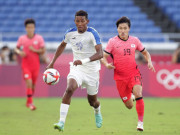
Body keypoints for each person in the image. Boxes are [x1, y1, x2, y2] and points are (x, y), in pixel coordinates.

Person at [46, 10, 103, 131]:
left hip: (92, 71)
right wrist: (52, 62)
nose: (80, 23)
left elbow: (100, 54)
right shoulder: (70, 33)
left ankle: (97, 110)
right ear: (75, 21)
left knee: (92, 102)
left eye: (82, 21)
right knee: (69, 88)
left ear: (87, 21)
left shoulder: (92, 33)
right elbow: (62, 45)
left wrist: (84, 61)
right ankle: (61, 122)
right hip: (77, 68)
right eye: (78, 21)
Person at [101, 16, 155, 131]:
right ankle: (131, 97)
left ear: (129, 29)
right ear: (117, 29)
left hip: (133, 73)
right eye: (120, 28)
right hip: (120, 78)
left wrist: (149, 61)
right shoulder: (112, 42)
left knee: (139, 92)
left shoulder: (135, 40)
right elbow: (103, 57)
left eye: (125, 28)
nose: (123, 31)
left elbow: (145, 53)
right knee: (129, 106)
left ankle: (140, 123)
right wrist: (106, 65)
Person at [14, 18, 46, 110]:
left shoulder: (39, 38)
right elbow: (16, 48)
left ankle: (28, 102)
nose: (30, 29)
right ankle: (31, 103)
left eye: (32, 27)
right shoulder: (22, 38)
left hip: (35, 65)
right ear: (26, 28)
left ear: (34, 28)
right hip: (26, 65)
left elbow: (43, 50)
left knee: (33, 85)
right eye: (28, 27)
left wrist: (35, 50)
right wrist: (20, 52)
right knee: (29, 82)